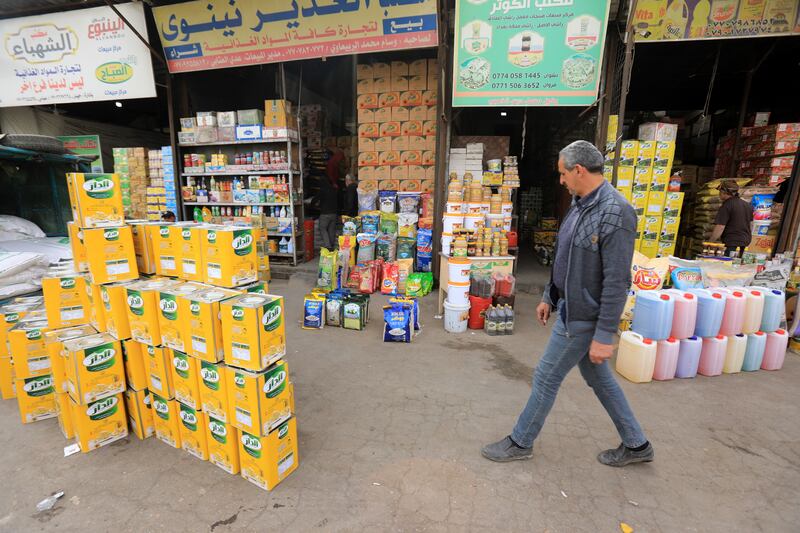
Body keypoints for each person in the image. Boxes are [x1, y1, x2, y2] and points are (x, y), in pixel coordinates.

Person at [482, 140, 653, 467]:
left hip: (585, 318)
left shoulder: (616, 212)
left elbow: (618, 281)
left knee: (546, 376)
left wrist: (605, 335)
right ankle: (637, 444)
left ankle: (521, 441)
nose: (560, 180)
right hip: (570, 308)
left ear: (579, 170)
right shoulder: (579, 204)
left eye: (563, 174)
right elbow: (565, 256)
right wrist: (551, 295)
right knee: (599, 380)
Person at [709, 180, 753, 257]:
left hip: (732, 243)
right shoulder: (747, 205)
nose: (719, 194)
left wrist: (710, 242)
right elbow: (751, 224)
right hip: (745, 242)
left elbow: (720, 227)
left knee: (729, 265)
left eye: (720, 191)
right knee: (739, 265)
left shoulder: (726, 206)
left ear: (724, 192)